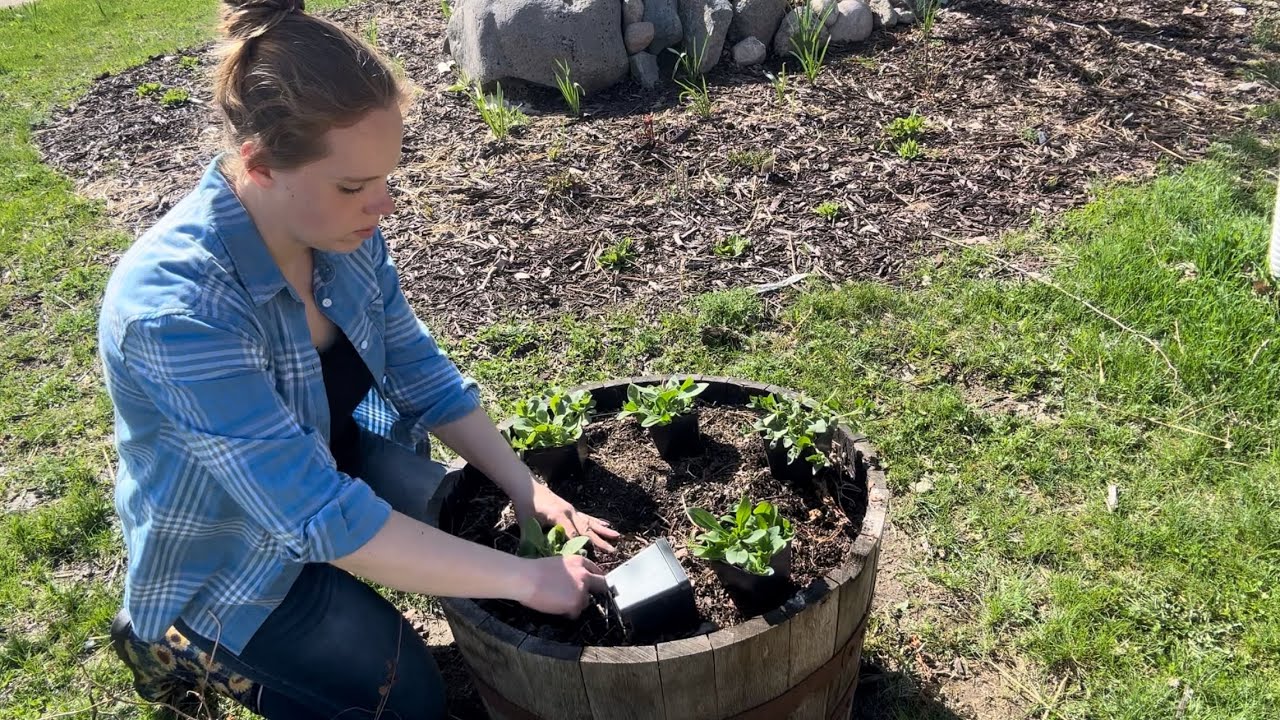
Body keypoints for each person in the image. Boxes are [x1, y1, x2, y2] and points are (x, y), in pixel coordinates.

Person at [98, 1, 620, 717]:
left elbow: (417, 369)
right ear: (259, 165)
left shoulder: (343, 232)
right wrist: (528, 581)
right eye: (354, 186)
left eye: (386, 177)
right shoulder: (176, 313)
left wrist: (521, 484)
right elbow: (316, 516)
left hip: (328, 463)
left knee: (467, 521)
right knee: (402, 693)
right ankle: (174, 640)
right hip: (226, 549)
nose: (386, 206)